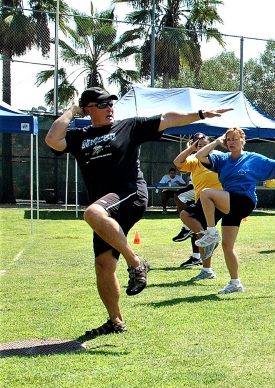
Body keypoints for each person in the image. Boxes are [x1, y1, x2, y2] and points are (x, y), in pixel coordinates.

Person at [44, 86, 231, 336]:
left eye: (111, 103)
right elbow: (52, 140)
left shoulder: (128, 127)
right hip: (106, 205)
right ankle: (115, 321)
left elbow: (166, 119)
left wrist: (199, 114)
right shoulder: (80, 136)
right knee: (103, 265)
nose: (110, 108)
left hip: (129, 193)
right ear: (88, 109)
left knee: (92, 214)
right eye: (102, 105)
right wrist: (71, 111)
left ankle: (136, 263)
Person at [192, 127, 275, 294]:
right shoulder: (221, 159)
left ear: (242, 141)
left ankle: (211, 232)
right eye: (228, 140)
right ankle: (235, 283)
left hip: (244, 200)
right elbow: (200, 156)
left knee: (206, 193)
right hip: (230, 203)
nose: (231, 143)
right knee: (227, 245)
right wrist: (216, 141)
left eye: (235, 139)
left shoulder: (253, 158)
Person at [173, 132, 223, 281]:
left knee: (186, 215)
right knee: (202, 236)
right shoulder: (194, 160)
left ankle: (208, 238)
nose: (202, 148)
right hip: (202, 201)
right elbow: (177, 162)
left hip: (218, 199)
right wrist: (190, 149)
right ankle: (207, 270)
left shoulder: (218, 156)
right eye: (198, 146)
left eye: (204, 145)